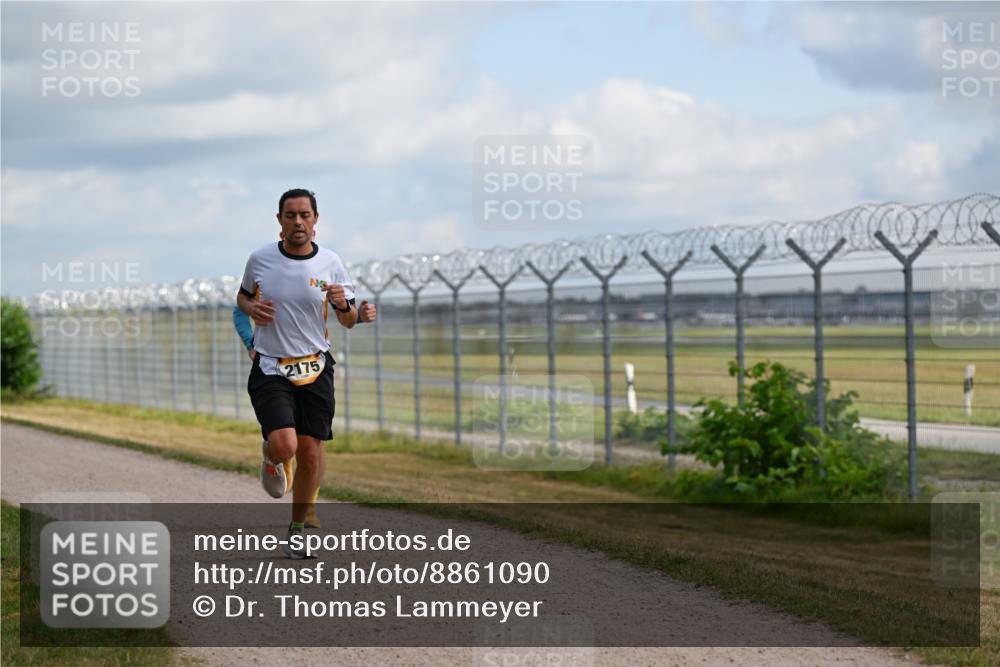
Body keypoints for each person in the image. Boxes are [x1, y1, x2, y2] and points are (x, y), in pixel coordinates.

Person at [236, 188, 375, 558]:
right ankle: (272, 452)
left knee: (311, 450)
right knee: (287, 446)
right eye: (291, 215)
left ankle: (298, 530)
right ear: (280, 220)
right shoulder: (260, 259)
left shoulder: (331, 262)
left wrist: (344, 305)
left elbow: (348, 321)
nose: (298, 221)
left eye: (305, 215)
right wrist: (251, 308)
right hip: (271, 365)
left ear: (315, 220)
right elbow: (242, 296)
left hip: (316, 365)